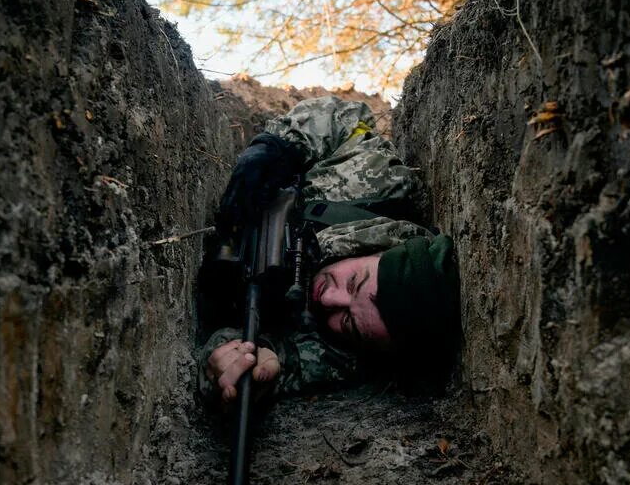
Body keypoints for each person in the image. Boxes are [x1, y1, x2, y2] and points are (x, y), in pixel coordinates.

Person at [197, 96, 460, 405]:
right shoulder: (383, 184)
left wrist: (233, 362)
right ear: (380, 250)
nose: (329, 299)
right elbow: (348, 115)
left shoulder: (348, 356)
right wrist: (276, 148)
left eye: (348, 322)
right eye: (354, 282)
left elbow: (265, 360)